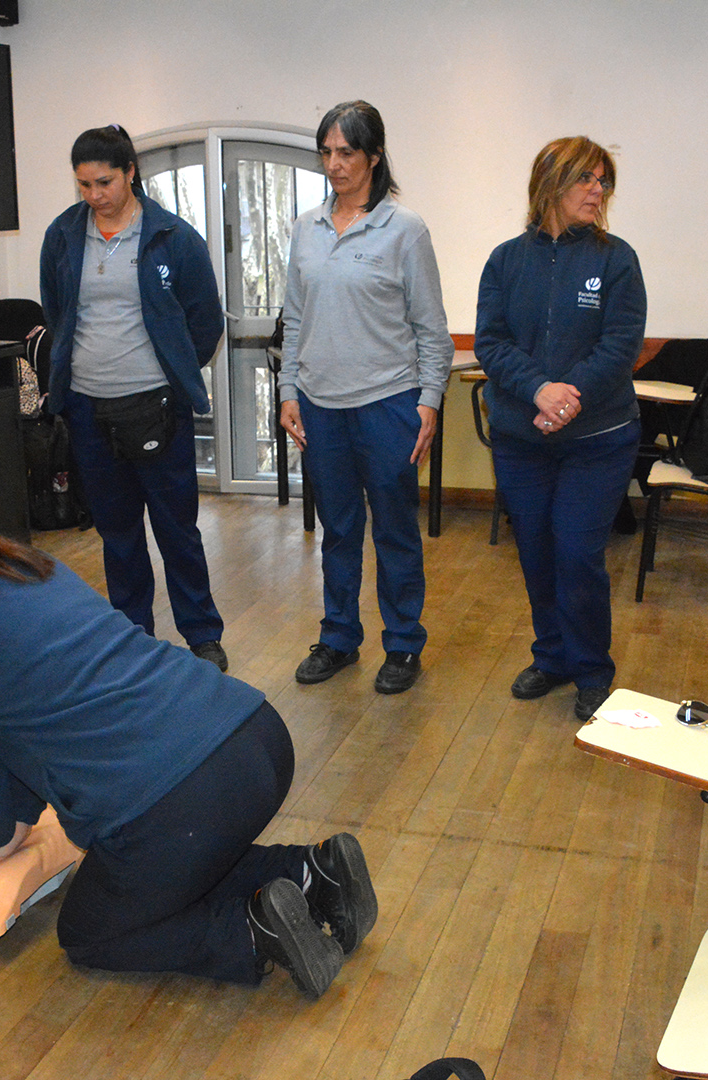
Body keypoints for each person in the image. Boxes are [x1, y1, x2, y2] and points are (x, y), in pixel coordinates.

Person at [0, 486, 378, 998]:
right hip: (257, 734)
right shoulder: (24, 562)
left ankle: (252, 930)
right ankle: (313, 872)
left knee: (92, 933)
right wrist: (18, 818)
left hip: (188, 797)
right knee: (159, 865)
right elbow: (18, 714)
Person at [38, 125, 229, 670]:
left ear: (130, 173)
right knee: (117, 532)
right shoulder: (63, 235)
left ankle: (202, 634)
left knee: (176, 529)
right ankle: (132, 635)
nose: (94, 195)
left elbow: (205, 322)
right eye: (84, 185)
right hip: (86, 406)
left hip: (156, 407)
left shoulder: (174, 237)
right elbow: (57, 312)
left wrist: (169, 370)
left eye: (104, 182)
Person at [279, 100, 453, 694]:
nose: (334, 164)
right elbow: (294, 318)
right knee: (338, 529)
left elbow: (432, 329)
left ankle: (402, 644)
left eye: (346, 152)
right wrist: (289, 390)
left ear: (374, 157)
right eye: (326, 153)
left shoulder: (405, 230)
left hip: (387, 404)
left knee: (394, 531)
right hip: (320, 407)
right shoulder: (305, 229)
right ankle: (338, 637)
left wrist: (429, 401)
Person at [474, 137, 648, 723]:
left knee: (577, 553)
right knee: (536, 553)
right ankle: (551, 657)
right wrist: (538, 391)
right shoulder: (505, 260)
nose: (598, 191)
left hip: (597, 440)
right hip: (522, 439)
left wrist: (567, 395)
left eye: (603, 181)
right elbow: (491, 341)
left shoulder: (616, 259)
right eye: (586, 179)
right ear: (549, 184)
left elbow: (620, 344)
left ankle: (592, 671)